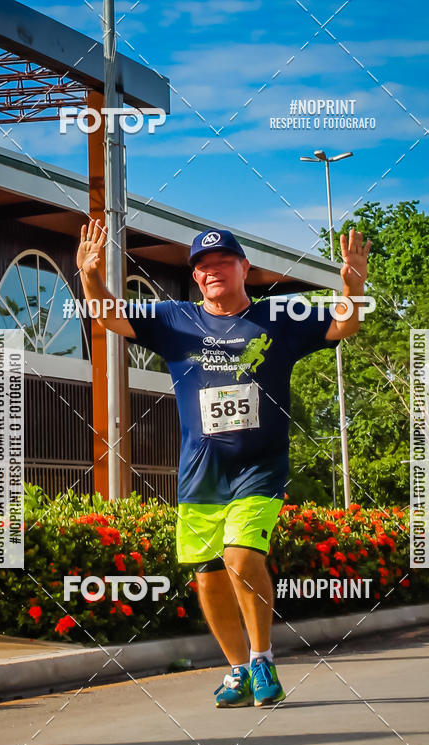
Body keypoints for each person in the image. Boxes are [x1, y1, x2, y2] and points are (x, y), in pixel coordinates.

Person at [77, 222, 371, 708]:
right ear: (196, 278)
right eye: (203, 267)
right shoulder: (175, 319)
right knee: (208, 573)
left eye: (222, 263)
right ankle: (236, 670)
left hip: (260, 465)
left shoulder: (278, 317)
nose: (212, 272)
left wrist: (352, 287)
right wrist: (90, 277)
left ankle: (261, 659)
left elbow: (343, 325)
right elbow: (109, 317)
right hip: (200, 470)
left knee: (241, 555)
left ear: (244, 269)